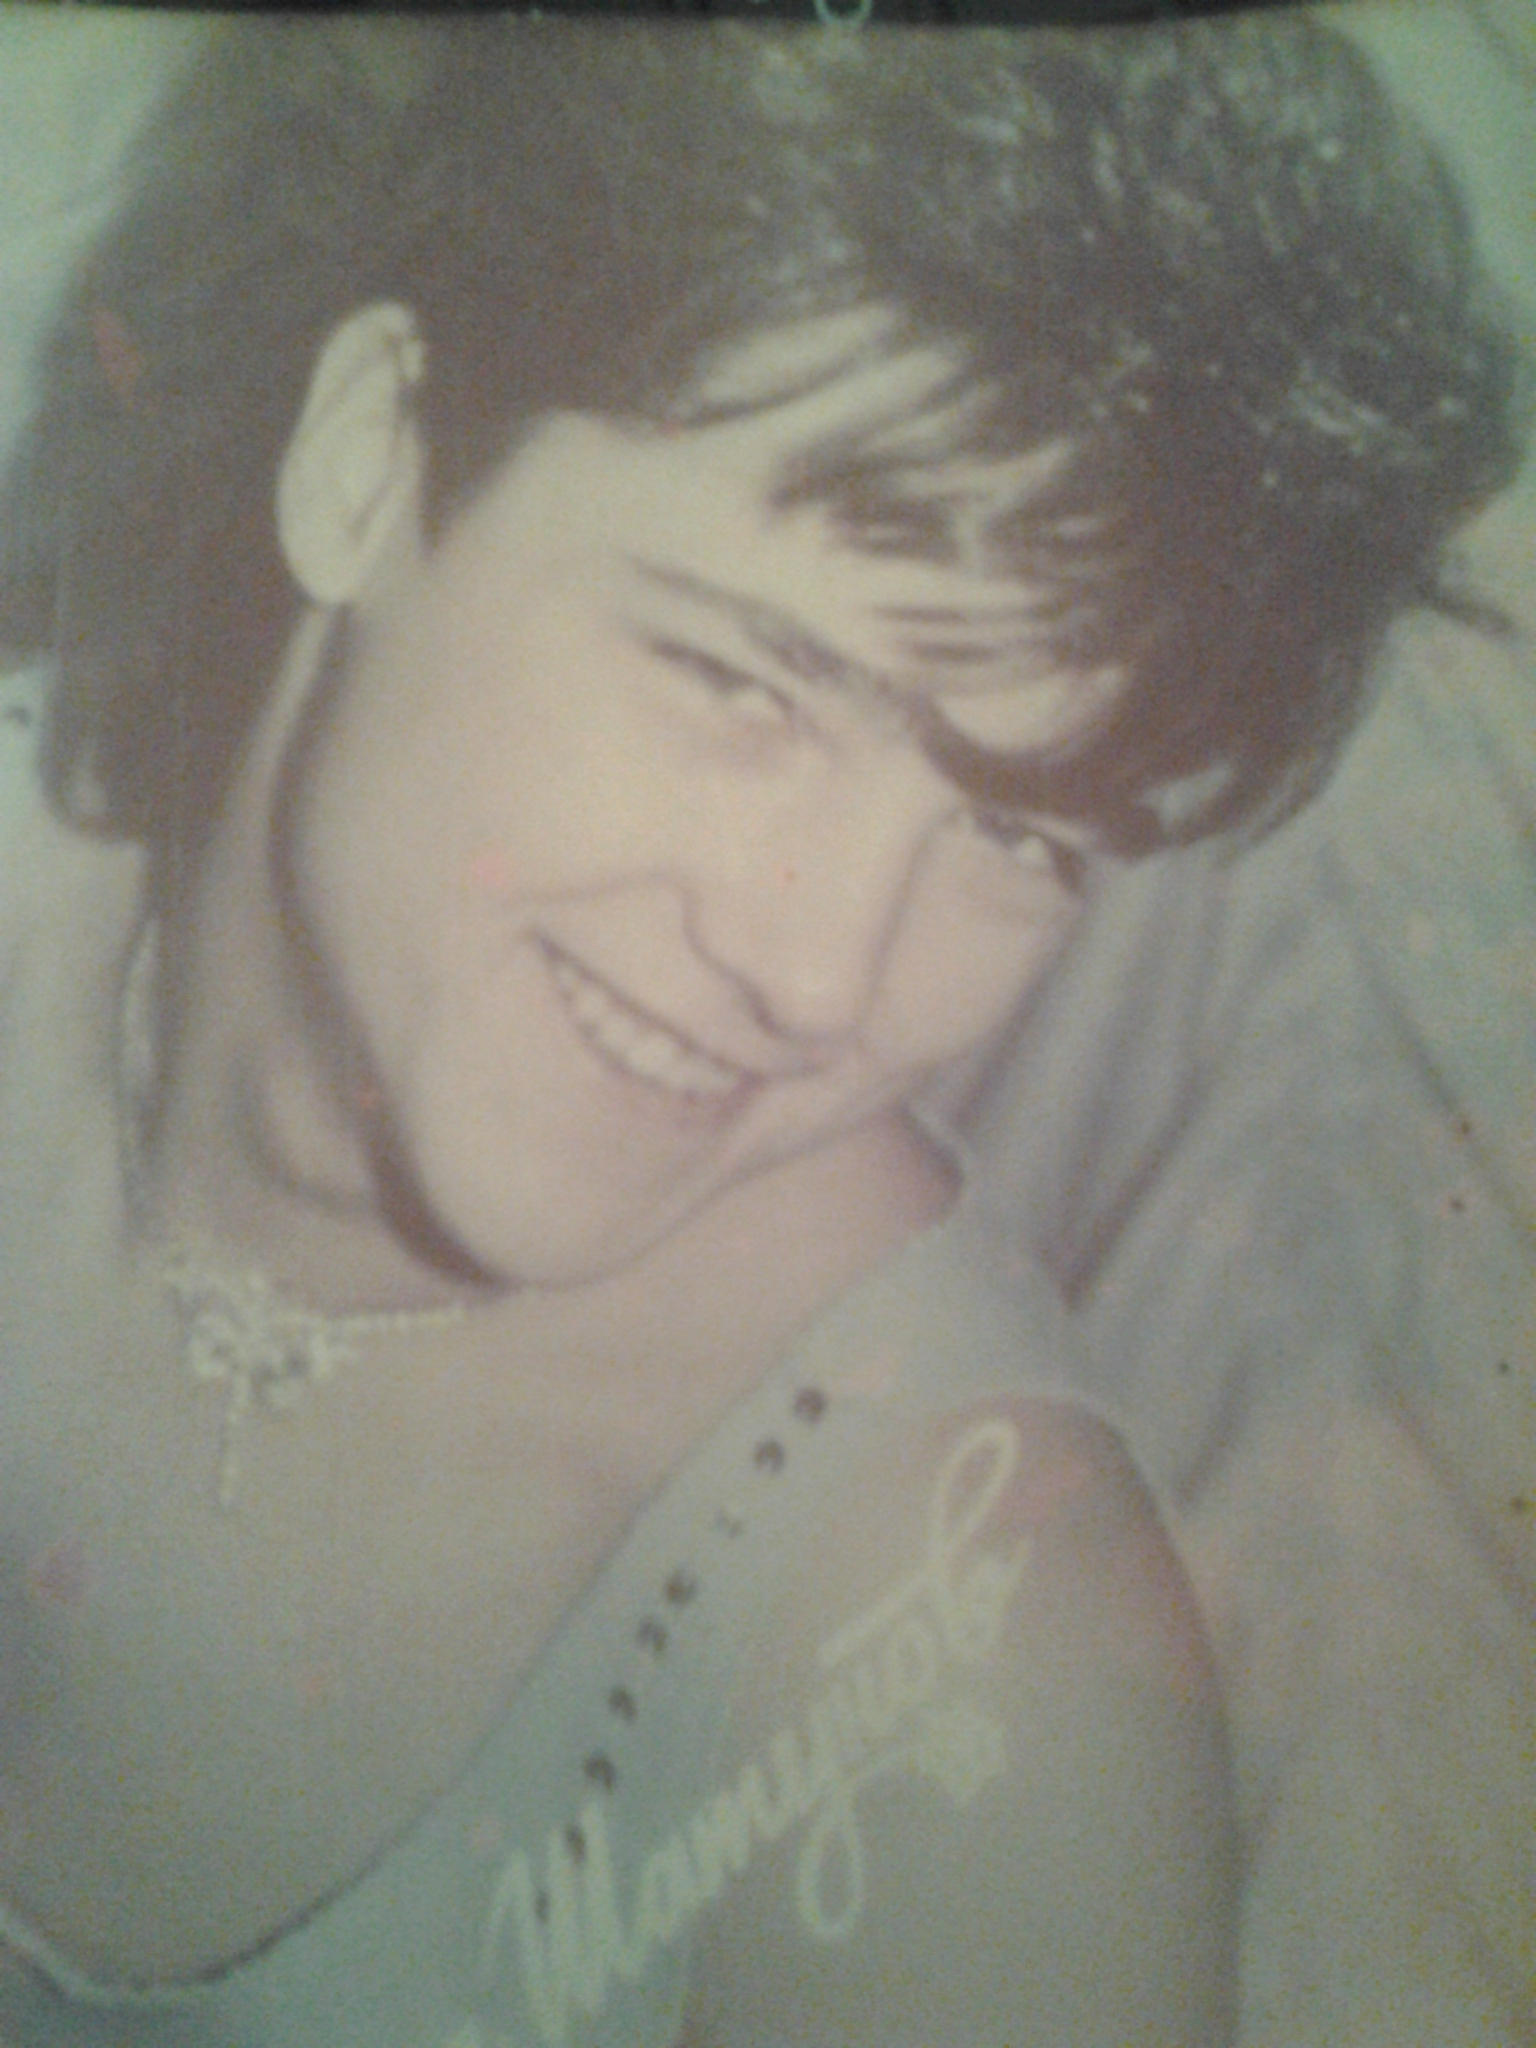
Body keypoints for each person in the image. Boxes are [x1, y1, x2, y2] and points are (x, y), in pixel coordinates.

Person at [0, 15, 1520, 2047]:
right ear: (368, 465)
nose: (822, 974)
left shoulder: (965, 1683)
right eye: (745, 682)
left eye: (1018, 831)